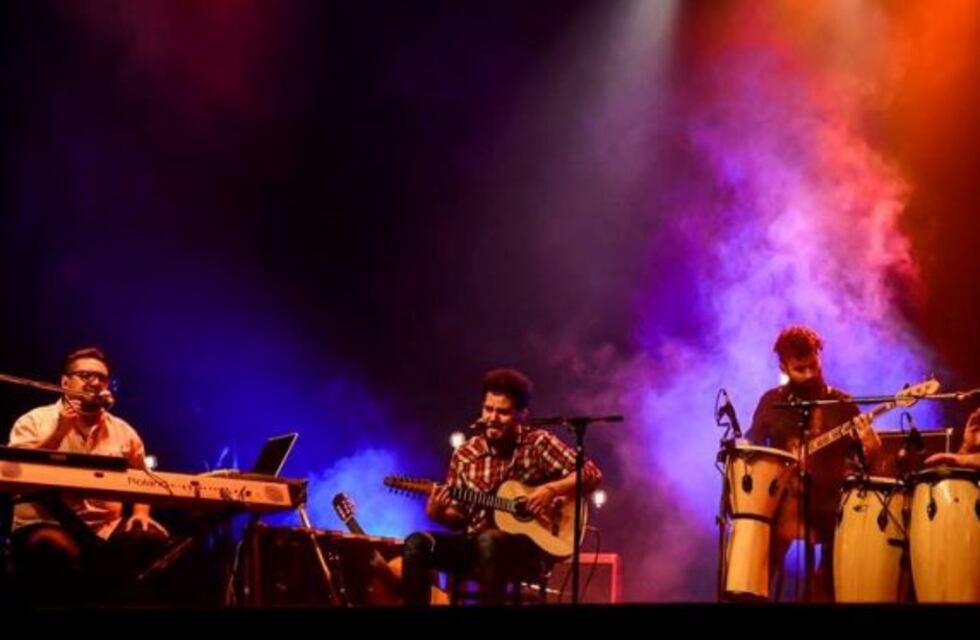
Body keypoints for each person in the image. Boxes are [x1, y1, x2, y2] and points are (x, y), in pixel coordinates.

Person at [402, 368, 602, 605]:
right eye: (488, 409)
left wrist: (552, 490)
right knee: (416, 544)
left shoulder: (537, 443)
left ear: (521, 414)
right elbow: (459, 518)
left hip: (523, 552)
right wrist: (438, 513)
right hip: (472, 545)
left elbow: (592, 473)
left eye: (503, 412)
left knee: (490, 541)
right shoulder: (465, 454)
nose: (492, 418)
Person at [6, 347, 169, 606]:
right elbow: (12, 469)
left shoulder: (123, 430)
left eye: (101, 378)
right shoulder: (34, 420)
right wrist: (57, 433)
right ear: (64, 382)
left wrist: (141, 513)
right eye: (85, 375)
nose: (94, 383)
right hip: (46, 520)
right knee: (54, 547)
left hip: (104, 527)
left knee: (150, 538)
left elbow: (143, 477)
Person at [745, 327, 878, 602]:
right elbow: (752, 447)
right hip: (780, 502)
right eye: (799, 369)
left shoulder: (842, 404)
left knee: (827, 585)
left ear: (820, 357)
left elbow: (868, 466)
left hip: (829, 504)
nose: (809, 375)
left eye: (813, 365)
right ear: (783, 366)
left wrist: (870, 443)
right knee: (753, 567)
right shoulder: (772, 402)